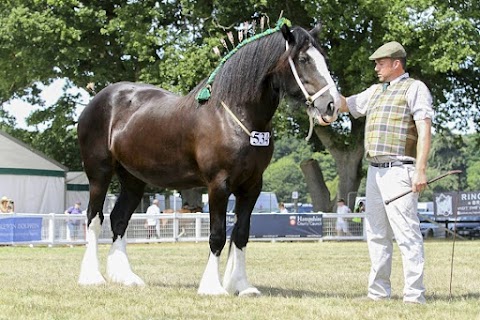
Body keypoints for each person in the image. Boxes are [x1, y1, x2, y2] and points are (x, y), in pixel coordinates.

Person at [339, 41, 433, 304]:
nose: (377, 68)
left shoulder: (415, 88)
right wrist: (321, 96)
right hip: (375, 171)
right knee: (377, 233)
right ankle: (378, 292)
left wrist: (420, 170)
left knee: (406, 233)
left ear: (396, 64)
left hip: (401, 170)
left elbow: (425, 130)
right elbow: (346, 104)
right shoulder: (375, 91)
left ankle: (414, 295)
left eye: (381, 63)